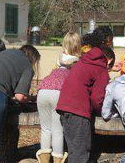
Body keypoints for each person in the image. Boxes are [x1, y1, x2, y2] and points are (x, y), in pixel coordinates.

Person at [55, 40, 114, 163]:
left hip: (64, 107)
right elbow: (97, 98)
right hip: (78, 111)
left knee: (73, 149)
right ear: (109, 61)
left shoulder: (83, 62)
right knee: (80, 152)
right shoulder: (101, 69)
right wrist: (101, 111)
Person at [36, 32, 82, 163]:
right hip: (58, 92)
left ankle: (44, 160)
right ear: (78, 44)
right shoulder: (79, 61)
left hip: (43, 90)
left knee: (45, 129)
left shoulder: (59, 57)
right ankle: (57, 159)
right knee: (57, 130)